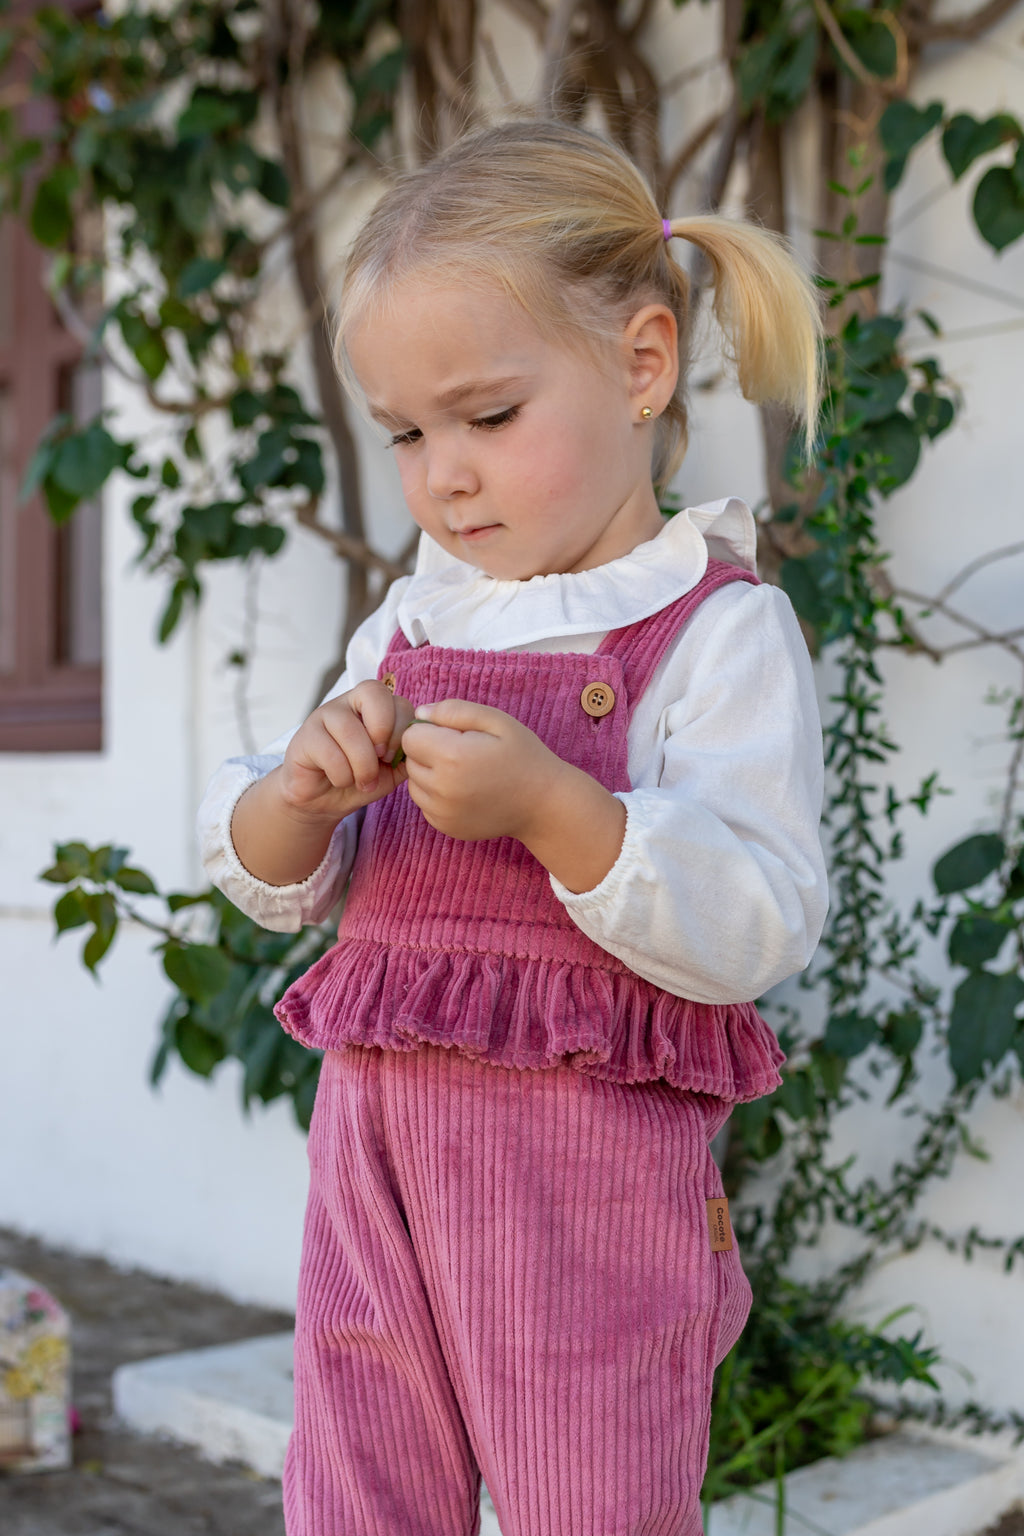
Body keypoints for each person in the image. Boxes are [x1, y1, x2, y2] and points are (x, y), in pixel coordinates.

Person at [198, 118, 828, 1536]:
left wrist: (560, 807)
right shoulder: (414, 621)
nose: (445, 476)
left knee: (590, 1491)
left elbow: (759, 917)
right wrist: (300, 793)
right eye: (409, 434)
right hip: (378, 1164)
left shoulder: (712, 633)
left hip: (587, 1193)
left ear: (641, 364)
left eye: (487, 416)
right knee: (358, 1485)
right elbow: (278, 881)